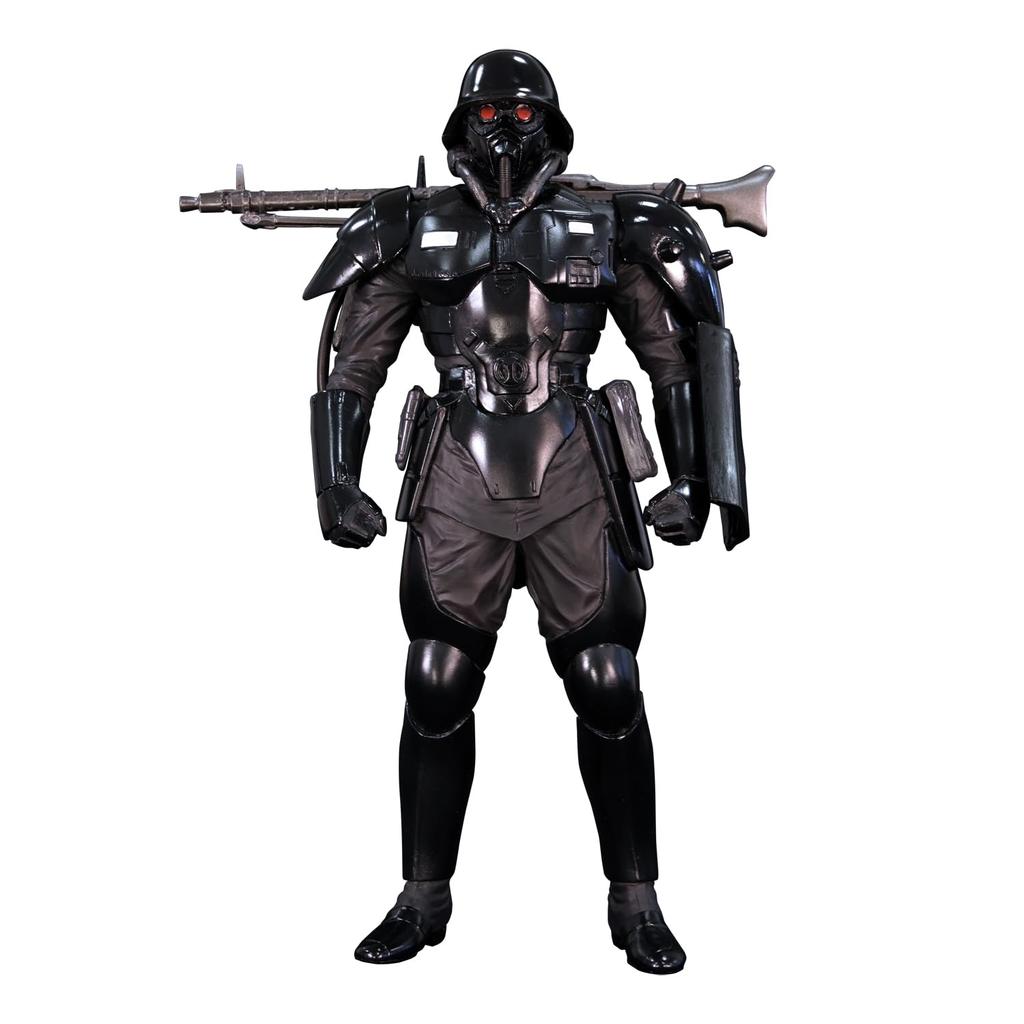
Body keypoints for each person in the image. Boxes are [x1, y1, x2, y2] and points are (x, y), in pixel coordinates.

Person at [305, 49, 749, 974]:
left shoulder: (605, 222)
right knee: (435, 680)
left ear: (551, 119)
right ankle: (422, 898)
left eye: (520, 113)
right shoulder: (413, 224)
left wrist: (691, 479)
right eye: (487, 115)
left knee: (608, 681)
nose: (503, 132)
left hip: (576, 476)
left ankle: (637, 902)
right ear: (458, 124)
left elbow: (672, 358)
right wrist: (335, 482)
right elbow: (355, 364)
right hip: (456, 478)